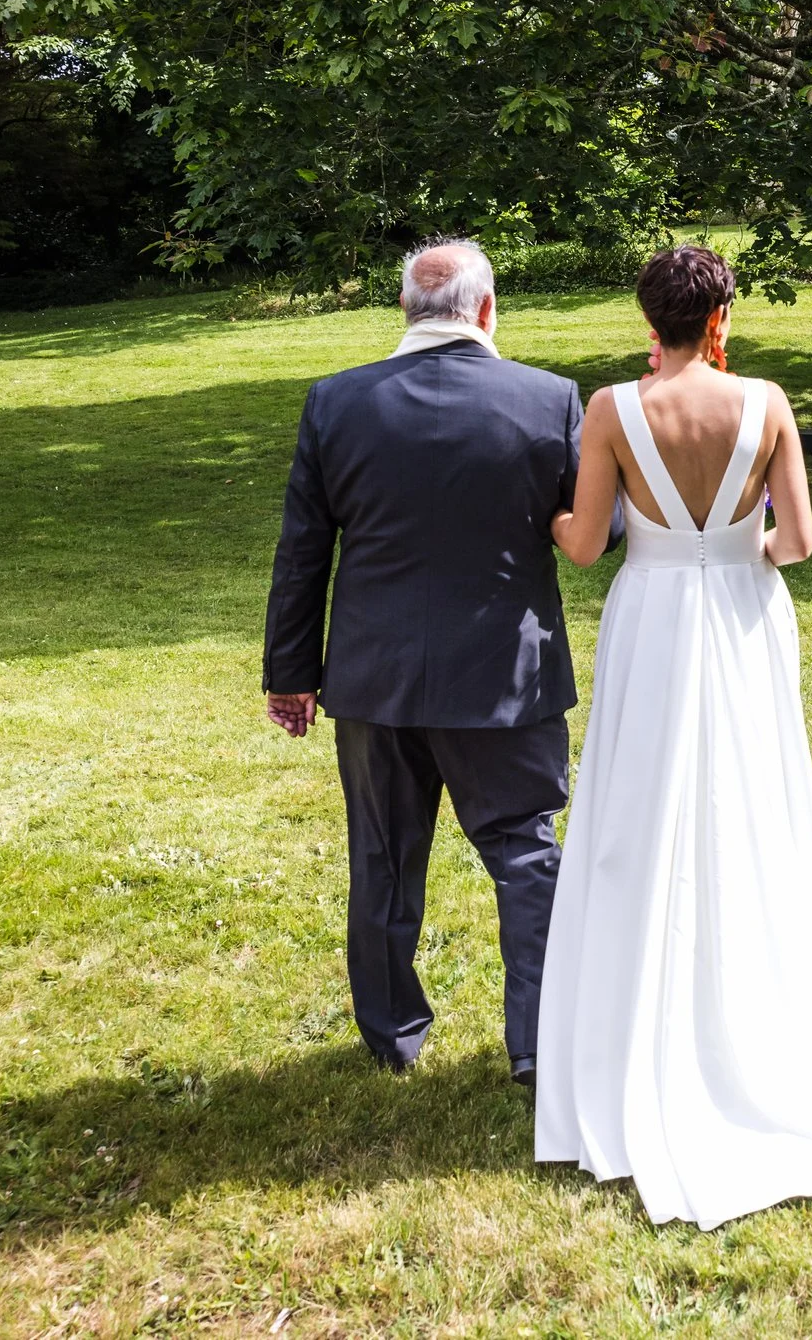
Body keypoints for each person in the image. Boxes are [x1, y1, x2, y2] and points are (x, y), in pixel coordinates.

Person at [536, 244, 812, 1226]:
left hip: (650, 621)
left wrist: (558, 520)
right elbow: (798, 543)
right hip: (740, 617)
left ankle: (638, 1027)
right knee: (751, 804)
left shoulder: (610, 412)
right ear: (719, 314)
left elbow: (587, 545)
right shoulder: (764, 402)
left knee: (640, 814)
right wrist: (734, 555)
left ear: (649, 317)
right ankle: (761, 1014)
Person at [263, 239, 590, 1088]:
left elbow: (304, 552)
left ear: (406, 312)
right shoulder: (549, 399)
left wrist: (291, 672)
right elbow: (604, 529)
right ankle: (538, 1042)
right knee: (527, 857)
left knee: (381, 855)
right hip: (505, 678)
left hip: (377, 679)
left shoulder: (336, 404)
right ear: (486, 312)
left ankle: (390, 1035)